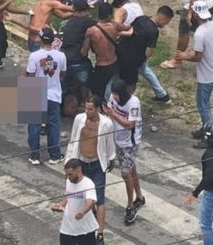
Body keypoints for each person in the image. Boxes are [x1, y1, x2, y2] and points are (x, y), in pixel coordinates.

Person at [65, 95, 116, 245]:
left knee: (99, 199)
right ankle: (83, 227)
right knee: (81, 197)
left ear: (98, 109)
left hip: (96, 165)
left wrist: (111, 158)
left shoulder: (106, 124)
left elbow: (109, 143)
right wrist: (69, 161)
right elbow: (73, 140)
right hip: (81, 163)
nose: (87, 111)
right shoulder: (79, 119)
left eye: (90, 109)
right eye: (86, 108)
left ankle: (99, 233)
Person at [110, 0, 171, 103]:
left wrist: (116, 33)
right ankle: (162, 94)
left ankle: (116, 100)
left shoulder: (121, 11)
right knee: (143, 70)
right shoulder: (136, 6)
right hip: (140, 47)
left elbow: (117, 27)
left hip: (130, 49)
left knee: (120, 74)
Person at [103, 79, 145, 224]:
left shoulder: (133, 103)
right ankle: (139, 196)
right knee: (131, 167)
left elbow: (130, 124)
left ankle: (130, 205)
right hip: (118, 139)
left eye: (116, 95)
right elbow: (109, 112)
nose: (114, 97)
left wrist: (113, 114)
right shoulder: (112, 99)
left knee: (125, 172)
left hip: (131, 142)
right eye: (113, 94)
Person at [175, 0, 213, 149]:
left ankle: (209, 134)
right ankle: (205, 128)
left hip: (206, 75)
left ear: (196, 15)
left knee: (203, 105)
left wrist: (185, 56)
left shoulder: (199, 33)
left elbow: (198, 57)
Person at [26, 27, 66, 165]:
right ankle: (54, 155)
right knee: (53, 125)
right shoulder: (61, 56)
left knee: (34, 126)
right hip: (54, 95)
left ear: (41, 39)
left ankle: (34, 155)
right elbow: (62, 74)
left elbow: (30, 75)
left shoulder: (34, 56)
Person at [116, 6, 174, 93]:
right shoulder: (153, 31)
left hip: (120, 52)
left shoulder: (141, 18)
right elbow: (148, 52)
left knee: (118, 78)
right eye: (167, 21)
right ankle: (126, 101)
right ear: (163, 18)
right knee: (131, 85)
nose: (166, 24)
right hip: (132, 61)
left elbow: (129, 31)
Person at [5, 0, 77, 52]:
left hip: (32, 38)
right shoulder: (51, 2)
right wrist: (85, 4)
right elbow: (71, 8)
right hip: (39, 40)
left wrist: (76, 13)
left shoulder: (43, 4)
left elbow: (63, 15)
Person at [81, 2, 129, 101]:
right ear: (109, 15)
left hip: (102, 65)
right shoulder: (115, 26)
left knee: (97, 92)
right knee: (113, 89)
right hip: (114, 63)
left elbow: (84, 52)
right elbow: (128, 28)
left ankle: (102, 110)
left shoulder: (91, 31)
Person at [51, 158, 98, 245]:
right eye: (66, 174)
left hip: (85, 229)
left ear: (78, 170)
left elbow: (90, 202)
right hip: (67, 228)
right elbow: (69, 197)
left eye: (70, 174)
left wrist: (82, 212)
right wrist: (60, 205)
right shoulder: (69, 181)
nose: (68, 177)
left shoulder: (88, 184)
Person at [60, 2, 96, 110]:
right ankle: (86, 103)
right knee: (87, 80)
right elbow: (102, 28)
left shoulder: (69, 22)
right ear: (85, 11)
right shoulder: (87, 22)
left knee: (64, 85)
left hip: (65, 60)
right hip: (78, 60)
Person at [184, 120, 213, 245]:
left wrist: (194, 193)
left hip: (212, 192)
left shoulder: (209, 154)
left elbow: (208, 179)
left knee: (205, 225)